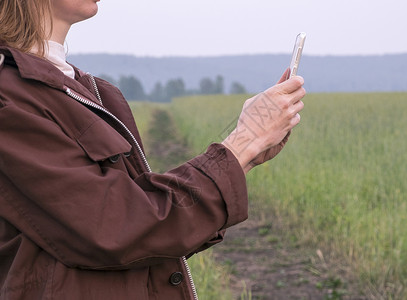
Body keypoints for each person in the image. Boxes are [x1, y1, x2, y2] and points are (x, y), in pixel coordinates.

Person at [0, 0, 306, 299]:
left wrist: (245, 156)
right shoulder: (8, 97)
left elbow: (149, 231)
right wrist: (241, 144)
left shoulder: (96, 92)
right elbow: (116, 227)